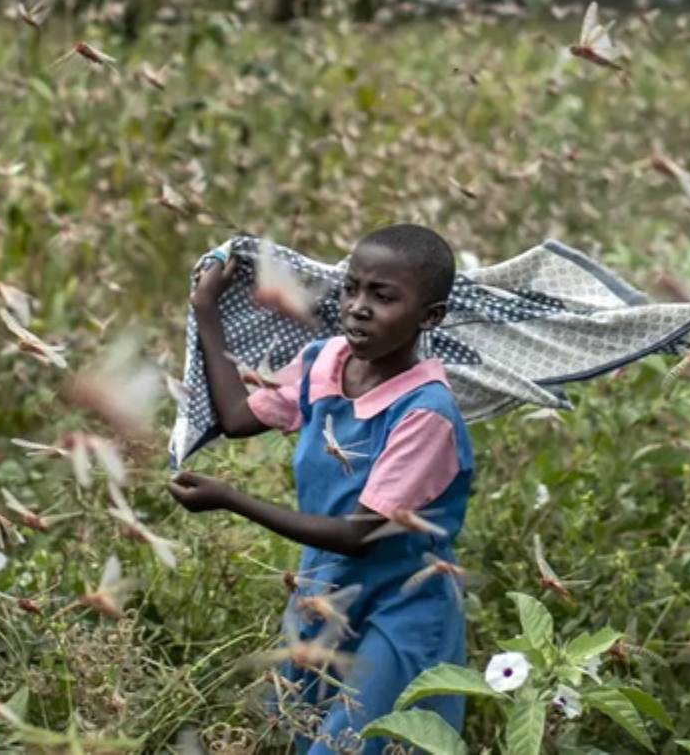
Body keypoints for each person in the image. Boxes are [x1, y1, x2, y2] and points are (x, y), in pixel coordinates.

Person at [168, 224, 474, 754]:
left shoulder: (426, 413)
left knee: (354, 743)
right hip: (323, 594)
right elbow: (238, 417)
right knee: (289, 732)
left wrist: (232, 499)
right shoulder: (325, 362)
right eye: (351, 288)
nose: (357, 307)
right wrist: (205, 310)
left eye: (382, 297)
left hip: (399, 608)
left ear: (431, 317)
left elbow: (359, 534)